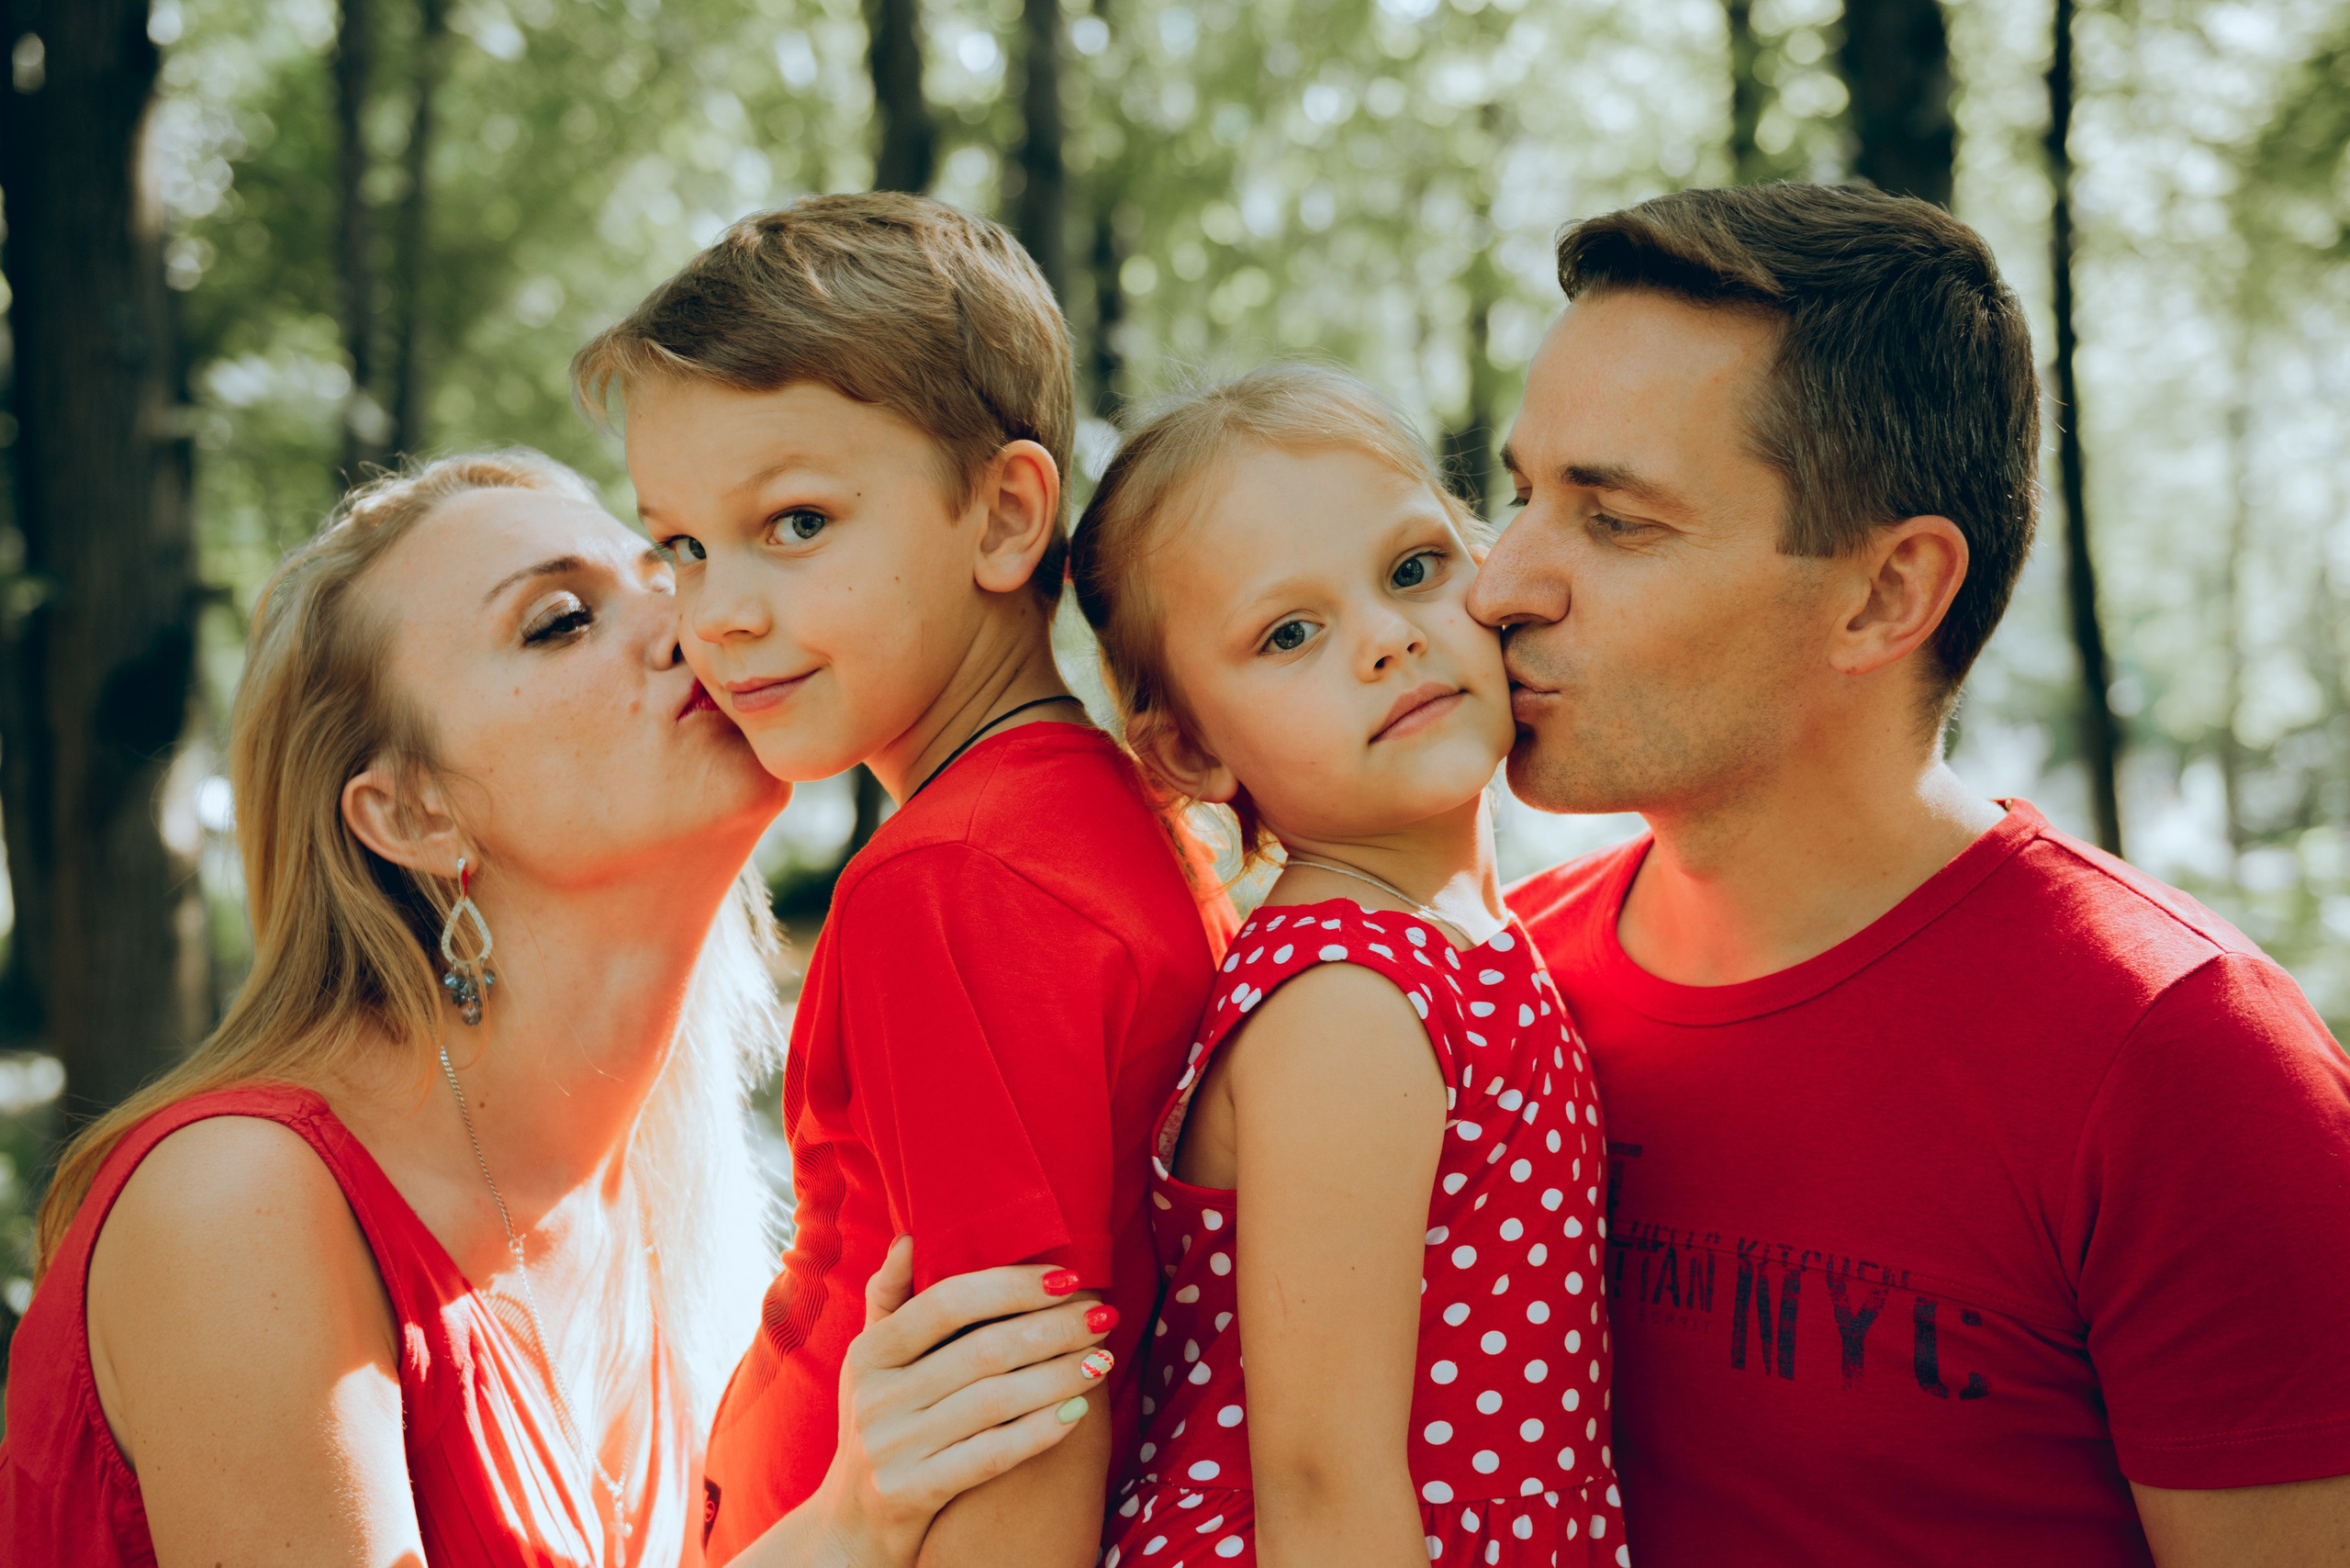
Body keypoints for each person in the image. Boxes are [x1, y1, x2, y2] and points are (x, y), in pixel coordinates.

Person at [0, 452, 1118, 1568]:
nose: (700, 621)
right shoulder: (235, 1206)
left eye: (669, 566)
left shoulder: (681, 1218)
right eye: (561, 621)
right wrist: (845, 1534)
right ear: (413, 812)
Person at [1472, 182, 2350, 1567]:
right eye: (1519, 494)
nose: (1497, 583)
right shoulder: (1490, 993)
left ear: (1886, 595)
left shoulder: (2185, 1058)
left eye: (1615, 521)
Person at [572, 194, 1231, 1567]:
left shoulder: (955, 880)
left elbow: (1019, 1418)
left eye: (795, 523)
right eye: (682, 547)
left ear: (1002, 517)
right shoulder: (1093, 817)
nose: (720, 612)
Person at [1073, 364, 1626, 1567]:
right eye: (1289, 633)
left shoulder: (1458, 940)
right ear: (1187, 746)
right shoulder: (1350, 1003)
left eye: (1415, 568)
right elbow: (1325, 1480)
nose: (1387, 639)